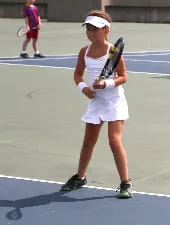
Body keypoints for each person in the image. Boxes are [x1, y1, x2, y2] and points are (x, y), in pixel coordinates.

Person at [60, 10, 133, 199]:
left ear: (106, 31)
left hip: (114, 101)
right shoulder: (84, 51)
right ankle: (80, 176)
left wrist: (107, 83)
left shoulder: (114, 52)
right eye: (89, 29)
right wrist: (84, 88)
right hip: (96, 102)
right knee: (88, 142)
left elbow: (124, 77)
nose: (91, 33)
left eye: (96, 29)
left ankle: (125, 182)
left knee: (114, 141)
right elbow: (77, 75)